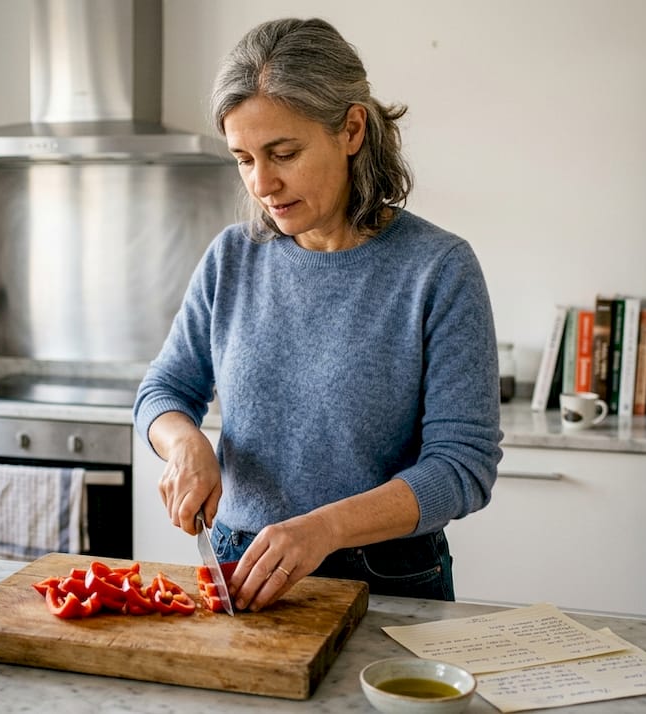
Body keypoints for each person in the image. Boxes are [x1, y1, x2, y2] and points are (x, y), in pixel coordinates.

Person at [132, 17, 502, 612]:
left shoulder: (439, 268)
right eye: (243, 159)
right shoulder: (232, 258)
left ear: (351, 128)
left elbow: (464, 467)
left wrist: (324, 529)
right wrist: (183, 443)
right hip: (237, 565)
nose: (262, 183)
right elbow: (164, 389)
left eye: (284, 153)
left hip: (387, 580)